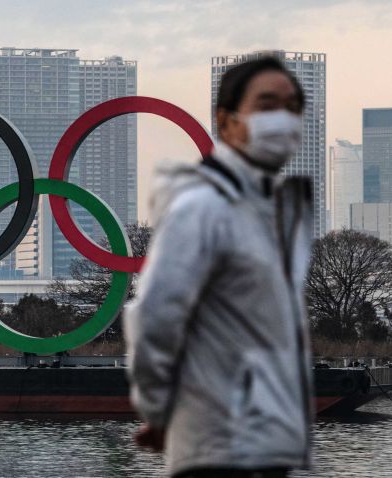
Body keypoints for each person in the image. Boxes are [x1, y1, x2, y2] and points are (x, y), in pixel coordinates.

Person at [125, 57, 313, 478]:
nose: (283, 119)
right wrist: (160, 411)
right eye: (267, 105)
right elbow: (154, 315)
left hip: (268, 447)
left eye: (292, 106)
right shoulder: (202, 207)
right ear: (226, 123)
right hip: (221, 451)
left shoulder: (269, 214)